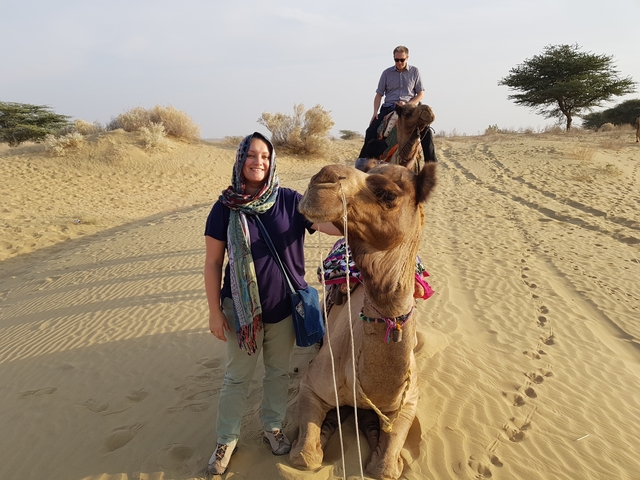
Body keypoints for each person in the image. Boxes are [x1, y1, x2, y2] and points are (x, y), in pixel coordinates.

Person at [203, 132, 340, 475]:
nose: (258, 162)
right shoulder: (224, 208)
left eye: (265, 156)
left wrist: (351, 211)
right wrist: (214, 311)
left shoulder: (291, 201)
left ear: (272, 161)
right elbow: (212, 264)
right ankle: (226, 441)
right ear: (240, 160)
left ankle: (273, 427)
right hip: (241, 312)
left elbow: (328, 227)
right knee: (237, 378)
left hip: (283, 309)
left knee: (277, 374)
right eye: (251, 155)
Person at [358, 45, 436, 162]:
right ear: (393, 58)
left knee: (427, 132)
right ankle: (363, 162)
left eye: (402, 60)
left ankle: (431, 164)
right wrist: (375, 112)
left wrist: (408, 104)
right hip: (390, 107)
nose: (399, 62)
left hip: (410, 109)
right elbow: (379, 94)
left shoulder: (415, 72)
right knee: (370, 131)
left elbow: (420, 93)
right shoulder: (386, 73)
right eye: (396, 60)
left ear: (407, 58)